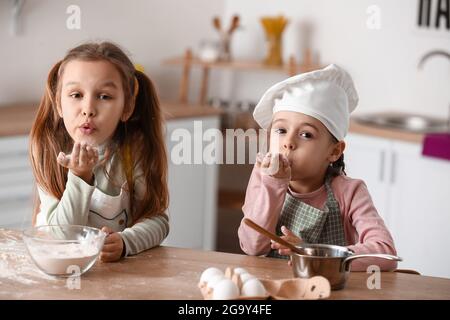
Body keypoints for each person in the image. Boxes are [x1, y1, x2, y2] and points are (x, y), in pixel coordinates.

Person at [238, 64, 397, 271]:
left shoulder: (350, 193)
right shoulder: (263, 178)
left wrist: (313, 254)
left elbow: (384, 252)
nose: (288, 143)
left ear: (334, 151)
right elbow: (252, 246)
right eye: (281, 130)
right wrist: (272, 185)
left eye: (306, 134)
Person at [30, 41, 169, 262]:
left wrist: (125, 242)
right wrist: (79, 176)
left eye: (104, 96)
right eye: (76, 95)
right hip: (57, 273)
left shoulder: (133, 152)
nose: (88, 109)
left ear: (127, 107)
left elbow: (158, 222)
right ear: (58, 103)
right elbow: (62, 236)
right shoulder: (49, 150)